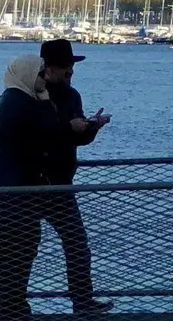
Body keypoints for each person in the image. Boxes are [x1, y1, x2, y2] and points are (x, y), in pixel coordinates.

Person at [0, 55, 92, 320]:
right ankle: (9, 310)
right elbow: (44, 134)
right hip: (7, 192)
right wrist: (49, 106)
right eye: (40, 73)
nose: (44, 79)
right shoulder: (17, 102)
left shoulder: (7, 101)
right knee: (14, 251)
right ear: (28, 74)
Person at [39, 39, 113, 314]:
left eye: (72, 69)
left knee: (77, 242)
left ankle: (82, 301)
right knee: (22, 246)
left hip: (61, 181)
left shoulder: (73, 96)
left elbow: (76, 139)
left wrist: (91, 128)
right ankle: (13, 305)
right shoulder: (33, 94)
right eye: (66, 69)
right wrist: (66, 127)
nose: (71, 73)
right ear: (50, 69)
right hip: (32, 179)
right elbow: (34, 132)